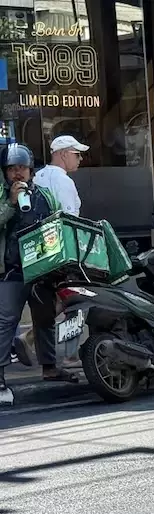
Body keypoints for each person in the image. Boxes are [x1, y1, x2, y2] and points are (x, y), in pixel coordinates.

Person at [0, 144, 74, 405]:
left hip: (41, 270)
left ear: (31, 170)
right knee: (6, 321)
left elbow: (57, 223)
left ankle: (50, 367)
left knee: (45, 318)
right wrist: (10, 203)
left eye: (22, 168)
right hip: (11, 271)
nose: (17, 173)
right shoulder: (2, 196)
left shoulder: (45, 195)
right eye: (11, 169)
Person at [33, 135, 88, 216]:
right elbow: (68, 218)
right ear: (64, 154)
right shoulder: (64, 181)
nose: (81, 158)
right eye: (77, 154)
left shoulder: (37, 175)